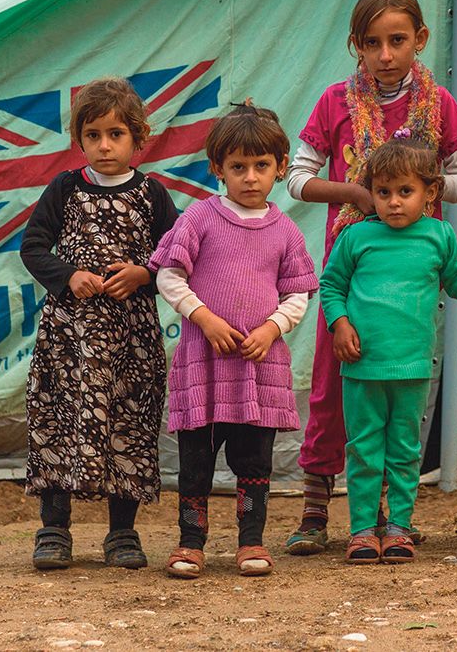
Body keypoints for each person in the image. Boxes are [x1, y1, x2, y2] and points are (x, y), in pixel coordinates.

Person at [283, 0, 457, 556]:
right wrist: (357, 192)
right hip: (352, 268)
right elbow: (295, 177)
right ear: (356, 46)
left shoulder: (439, 104)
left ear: (420, 39)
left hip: (412, 272)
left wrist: (420, 187)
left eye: (398, 41)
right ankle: (316, 508)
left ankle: (392, 517)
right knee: (330, 386)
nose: (386, 54)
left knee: (400, 395)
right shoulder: (334, 102)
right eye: (373, 43)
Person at [318, 138, 457, 564]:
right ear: (370, 192)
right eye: (383, 192)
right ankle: (361, 530)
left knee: (405, 450)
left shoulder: (438, 235)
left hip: (412, 368)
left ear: (431, 193)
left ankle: (398, 529)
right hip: (361, 368)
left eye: (405, 192)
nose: (393, 203)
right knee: (364, 449)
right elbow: (331, 286)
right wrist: (340, 324)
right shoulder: (356, 237)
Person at [149, 103, 319, 578]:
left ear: (280, 168)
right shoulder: (199, 218)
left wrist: (271, 328)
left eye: (261, 166)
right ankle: (190, 545)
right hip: (203, 365)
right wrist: (204, 318)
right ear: (217, 169)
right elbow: (169, 275)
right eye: (238, 167)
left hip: (257, 368)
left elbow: (298, 293)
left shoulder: (285, 230)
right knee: (195, 464)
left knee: (254, 463)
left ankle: (251, 544)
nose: (250, 177)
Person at [19, 76, 178, 572]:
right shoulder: (64, 189)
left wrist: (144, 274)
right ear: (79, 139)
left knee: (128, 423)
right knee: (59, 419)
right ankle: (53, 529)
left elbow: (176, 257)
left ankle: (122, 533)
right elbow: (33, 249)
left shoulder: (153, 195)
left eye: (115, 134)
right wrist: (68, 277)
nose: (104, 145)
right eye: (93, 135)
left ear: (137, 138)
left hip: (131, 339)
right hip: (69, 338)